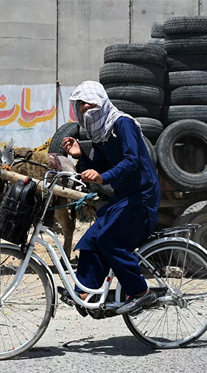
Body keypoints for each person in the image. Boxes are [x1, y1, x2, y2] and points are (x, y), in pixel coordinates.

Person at [62, 81, 161, 315]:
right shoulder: (101, 134)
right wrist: (81, 156)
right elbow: (99, 170)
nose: (86, 108)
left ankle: (140, 292)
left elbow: (131, 161)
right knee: (91, 237)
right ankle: (87, 290)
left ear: (101, 101)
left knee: (110, 240)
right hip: (124, 197)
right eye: (81, 105)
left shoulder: (122, 124)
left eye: (89, 102)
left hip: (142, 197)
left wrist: (102, 175)